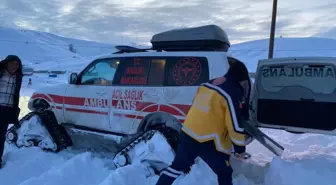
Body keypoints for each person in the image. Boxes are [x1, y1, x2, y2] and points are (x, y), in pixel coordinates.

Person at [155, 60, 252, 185]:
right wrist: (240, 148)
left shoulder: (207, 84)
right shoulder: (232, 92)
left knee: (176, 167)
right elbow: (234, 124)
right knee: (224, 172)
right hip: (209, 141)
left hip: (188, 133)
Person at [0, 55, 23, 168]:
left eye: (17, 64)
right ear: (6, 63)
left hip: (7, 109)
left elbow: (16, 94)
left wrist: (14, 111)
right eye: (12, 63)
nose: (15, 66)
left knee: (1, 136)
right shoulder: (0, 72)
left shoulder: (18, 77)